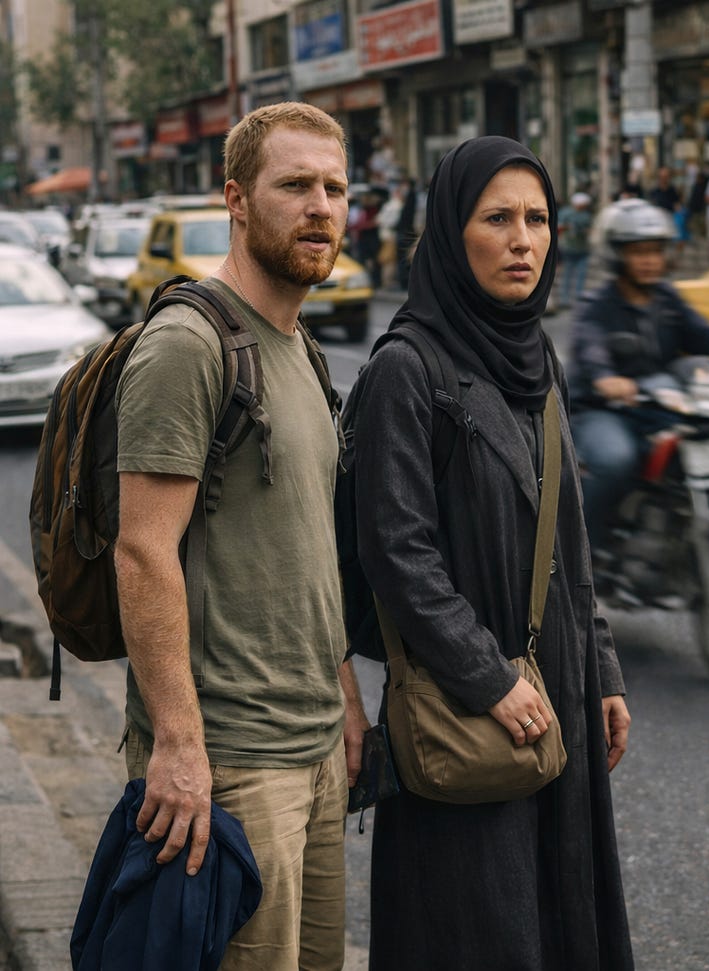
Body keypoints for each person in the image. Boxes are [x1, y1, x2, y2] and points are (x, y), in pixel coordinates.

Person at [349, 136, 634, 969]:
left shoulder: (537, 355)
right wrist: (490, 677)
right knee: (478, 928)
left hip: (556, 690)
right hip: (471, 708)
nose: (523, 239)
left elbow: (571, 531)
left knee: (558, 912)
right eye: (497, 218)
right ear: (450, 232)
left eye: (538, 219)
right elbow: (395, 550)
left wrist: (603, 668)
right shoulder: (407, 367)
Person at [113, 101, 366, 971]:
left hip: (316, 743)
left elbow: (304, 544)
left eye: (335, 187)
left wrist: (346, 696)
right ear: (236, 198)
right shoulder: (189, 343)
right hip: (233, 763)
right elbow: (143, 549)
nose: (321, 207)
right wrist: (181, 745)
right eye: (294, 185)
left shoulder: (301, 346)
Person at [569, 199, 709, 551]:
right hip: (599, 408)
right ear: (618, 256)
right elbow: (591, 347)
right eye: (639, 252)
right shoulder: (597, 307)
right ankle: (584, 552)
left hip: (654, 401)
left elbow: (705, 334)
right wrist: (605, 376)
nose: (650, 260)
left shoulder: (667, 299)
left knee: (705, 434)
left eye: (656, 251)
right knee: (616, 459)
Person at [557, 191, 594, 309]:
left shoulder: (586, 215)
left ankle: (578, 297)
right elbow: (558, 227)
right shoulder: (566, 213)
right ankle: (564, 299)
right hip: (568, 247)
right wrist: (568, 227)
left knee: (581, 274)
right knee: (568, 274)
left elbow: (589, 230)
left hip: (582, 248)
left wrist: (586, 231)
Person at [394, 175, 419, 288]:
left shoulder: (412, 197)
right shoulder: (410, 198)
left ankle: (405, 282)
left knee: (406, 258)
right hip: (406, 232)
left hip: (407, 233)